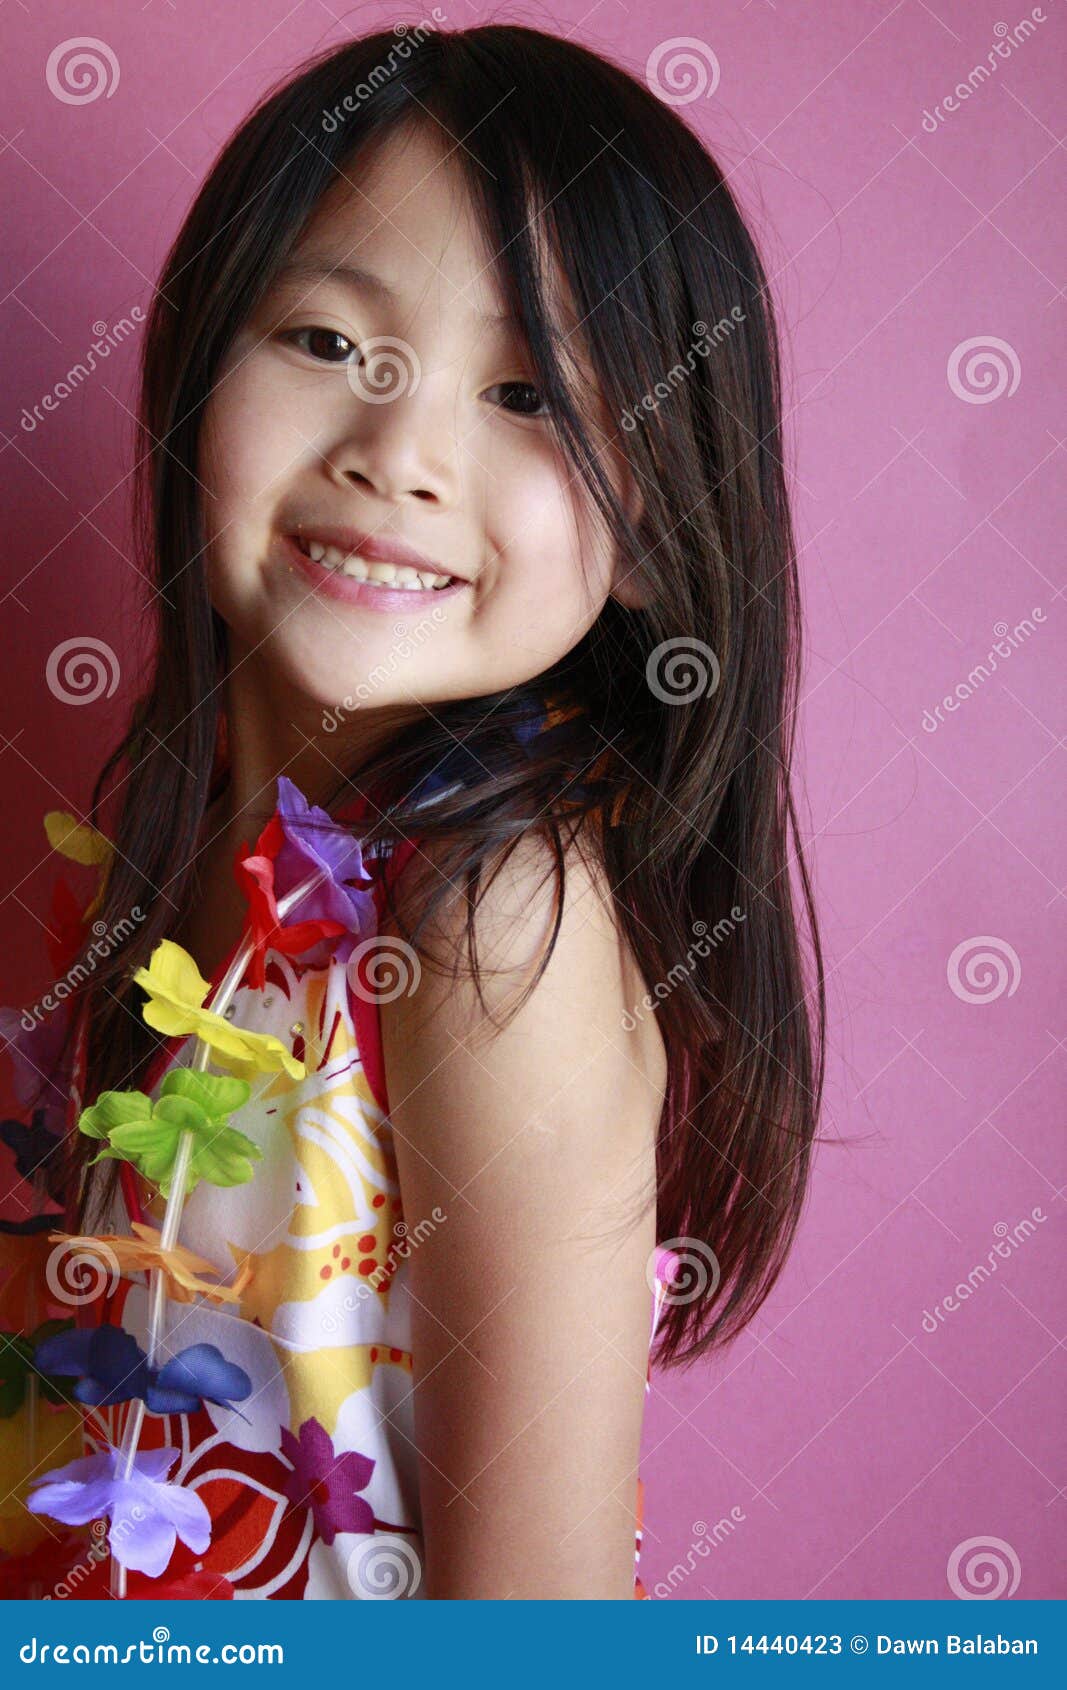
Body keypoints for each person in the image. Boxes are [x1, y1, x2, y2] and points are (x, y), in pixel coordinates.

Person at [0, 23, 824, 1600]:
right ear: (192, 376)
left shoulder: (497, 918)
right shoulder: (186, 889)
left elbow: (541, 1623)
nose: (401, 453)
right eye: (325, 342)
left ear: (660, 528)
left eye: (527, 390)